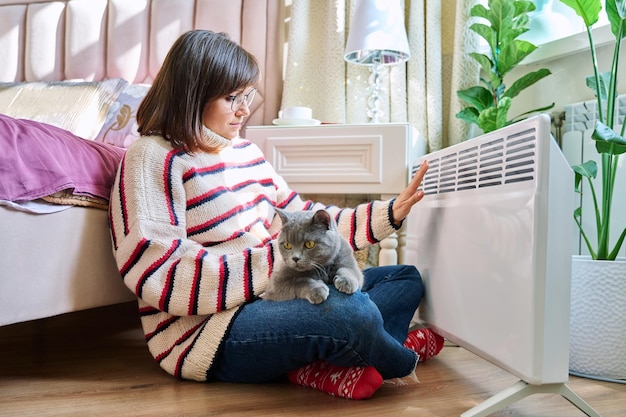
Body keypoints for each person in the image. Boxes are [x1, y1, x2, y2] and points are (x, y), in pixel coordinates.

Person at [108, 29, 443, 400]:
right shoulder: (151, 157)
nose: (245, 109)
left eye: (247, 94)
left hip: (280, 293)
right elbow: (160, 272)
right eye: (232, 97)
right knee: (353, 313)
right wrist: (276, 262)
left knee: (404, 279)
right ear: (192, 95)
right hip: (210, 331)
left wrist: (389, 213)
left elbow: (310, 222)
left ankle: (328, 363)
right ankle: (396, 357)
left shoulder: (247, 153)